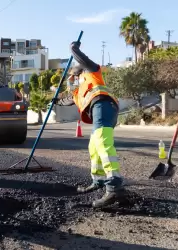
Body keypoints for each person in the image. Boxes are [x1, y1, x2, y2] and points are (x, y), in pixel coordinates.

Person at [52, 41, 126, 208]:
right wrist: (56, 101)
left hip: (104, 105)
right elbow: (66, 100)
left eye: (73, 78)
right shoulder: (78, 93)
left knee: (102, 143)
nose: (71, 82)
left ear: (79, 74)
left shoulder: (92, 71)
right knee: (94, 146)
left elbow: (82, 59)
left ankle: (114, 187)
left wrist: (73, 49)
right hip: (100, 109)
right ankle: (98, 180)